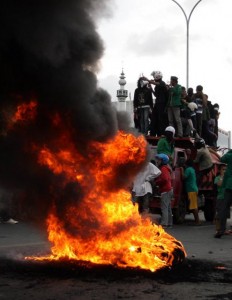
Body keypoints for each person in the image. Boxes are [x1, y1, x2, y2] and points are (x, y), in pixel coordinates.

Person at [215, 149, 232, 238]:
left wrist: (230, 152)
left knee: (224, 208)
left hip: (229, 186)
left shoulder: (230, 155)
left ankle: (221, 230)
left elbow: (222, 159)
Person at [148, 71, 169, 136]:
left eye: (154, 77)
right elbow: (156, 95)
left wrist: (149, 81)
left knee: (161, 119)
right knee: (154, 118)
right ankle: (153, 133)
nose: (153, 78)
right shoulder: (157, 86)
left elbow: (159, 84)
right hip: (157, 103)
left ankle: (161, 133)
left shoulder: (162, 83)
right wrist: (151, 89)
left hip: (162, 104)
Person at [155, 153, 173, 228]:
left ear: (163, 161)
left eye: (159, 160)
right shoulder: (166, 168)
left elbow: (164, 179)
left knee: (164, 208)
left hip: (165, 190)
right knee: (168, 208)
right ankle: (169, 223)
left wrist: (157, 182)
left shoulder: (163, 168)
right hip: (168, 189)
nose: (157, 161)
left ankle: (164, 223)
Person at [181, 159, 201, 225]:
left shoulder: (188, 169)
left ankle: (197, 221)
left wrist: (181, 170)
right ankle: (197, 221)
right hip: (193, 189)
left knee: (194, 206)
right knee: (194, 206)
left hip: (191, 190)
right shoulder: (192, 169)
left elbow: (184, 177)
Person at [214, 164, 227, 238]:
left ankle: (223, 229)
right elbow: (219, 184)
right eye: (223, 169)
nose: (224, 171)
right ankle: (218, 230)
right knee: (219, 214)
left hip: (226, 198)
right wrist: (223, 177)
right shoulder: (218, 178)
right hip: (220, 197)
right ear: (219, 170)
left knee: (225, 215)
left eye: (225, 169)